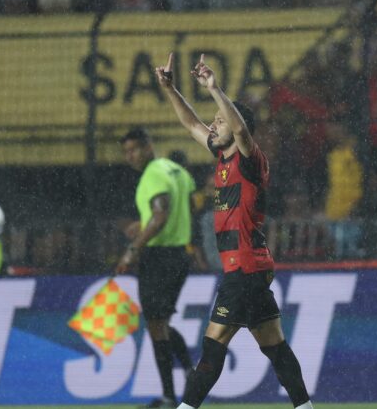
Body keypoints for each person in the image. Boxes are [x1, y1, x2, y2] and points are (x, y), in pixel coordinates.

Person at [156, 52, 313, 409]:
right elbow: (191, 125)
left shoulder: (249, 158)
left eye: (219, 122)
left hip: (243, 268)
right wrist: (171, 89)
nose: (213, 126)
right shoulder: (222, 157)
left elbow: (240, 128)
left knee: (213, 347)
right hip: (250, 268)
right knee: (275, 347)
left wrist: (214, 88)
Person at [115, 127, 196, 408]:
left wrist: (133, 249)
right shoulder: (177, 171)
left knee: (156, 324)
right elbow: (183, 209)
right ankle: (188, 375)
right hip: (180, 256)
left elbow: (160, 215)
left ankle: (169, 397)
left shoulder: (152, 175)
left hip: (158, 257)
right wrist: (145, 222)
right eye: (126, 152)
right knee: (160, 322)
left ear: (149, 146)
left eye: (135, 149)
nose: (130, 156)